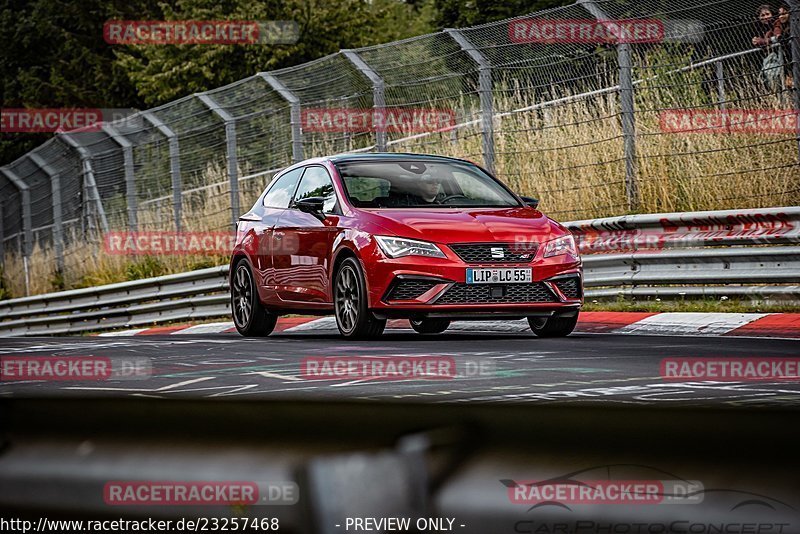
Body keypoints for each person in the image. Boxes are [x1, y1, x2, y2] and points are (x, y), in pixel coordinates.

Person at [753, 4, 785, 91]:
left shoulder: (777, 23)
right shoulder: (759, 29)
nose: (765, 17)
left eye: (767, 14)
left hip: (783, 58)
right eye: (762, 15)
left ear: (772, 14)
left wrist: (762, 41)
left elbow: (778, 38)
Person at [778, 4, 793, 88]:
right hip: (788, 61)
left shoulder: (794, 26)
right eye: (779, 14)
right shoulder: (779, 26)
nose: (781, 16)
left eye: (784, 13)